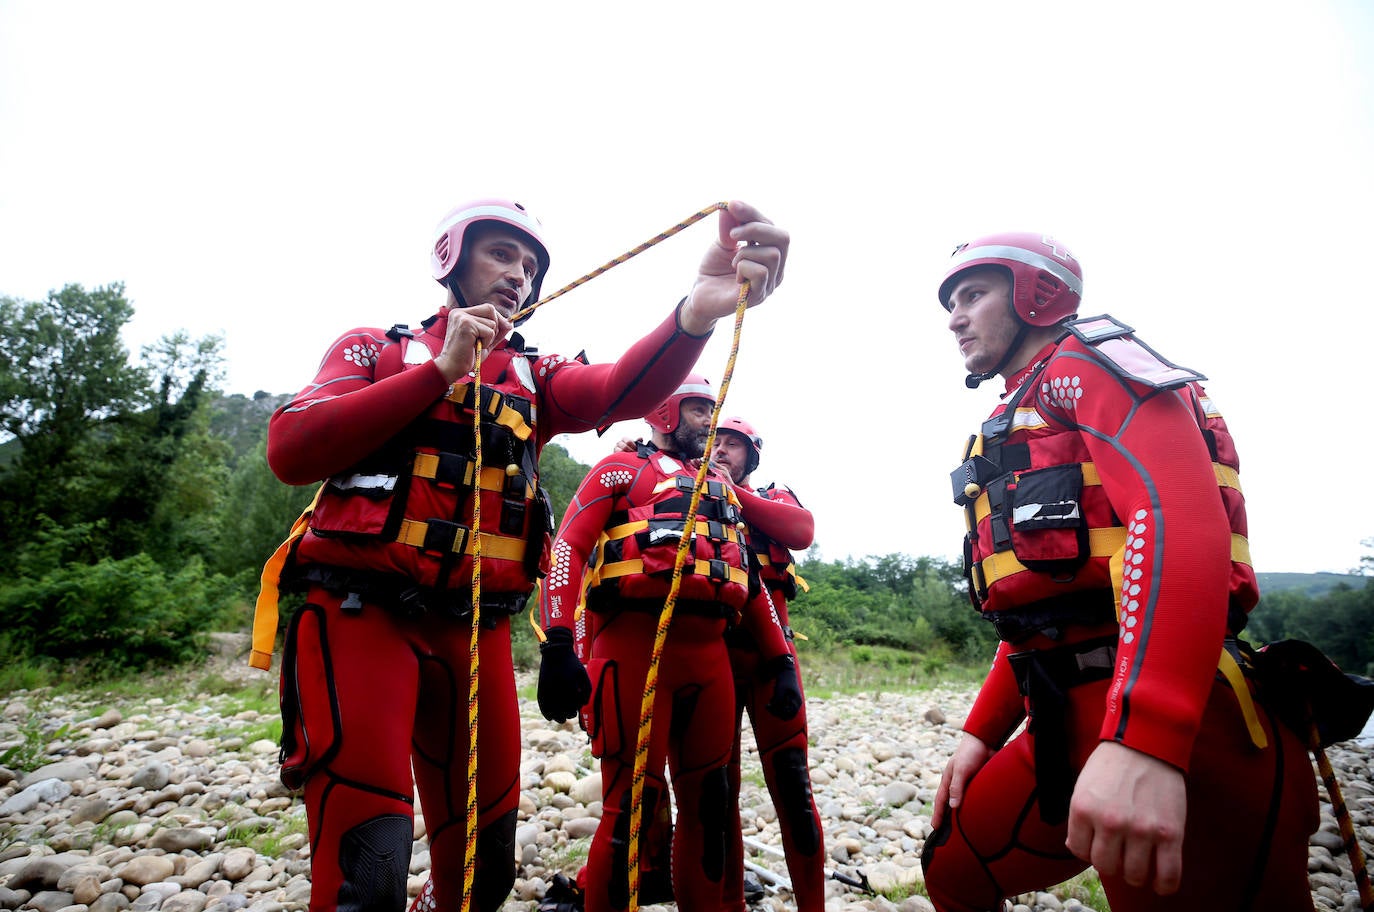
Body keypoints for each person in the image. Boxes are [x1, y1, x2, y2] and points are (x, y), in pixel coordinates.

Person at [253, 198, 789, 912]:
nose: (519, 274)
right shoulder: (375, 349)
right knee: (367, 872)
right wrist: (440, 370)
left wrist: (698, 310)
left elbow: (620, 387)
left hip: (476, 635)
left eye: (530, 266)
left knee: (482, 879)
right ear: (453, 257)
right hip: (359, 620)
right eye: (501, 254)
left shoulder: (535, 375)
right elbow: (290, 448)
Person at [920, 232, 1319, 912]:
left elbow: (1172, 519)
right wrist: (979, 732)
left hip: (1185, 718)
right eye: (950, 302)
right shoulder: (1016, 412)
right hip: (1060, 717)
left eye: (974, 294)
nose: (954, 317)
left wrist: (1148, 741)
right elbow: (1044, 609)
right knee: (957, 868)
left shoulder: (1094, 365)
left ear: (1034, 295)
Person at [535, 377, 804, 912]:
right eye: (701, 410)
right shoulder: (618, 470)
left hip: (708, 660)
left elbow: (746, 577)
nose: (712, 422)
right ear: (663, 412)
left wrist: (779, 659)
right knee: (631, 808)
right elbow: (566, 551)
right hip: (633, 652)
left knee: (709, 805)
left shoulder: (719, 487)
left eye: (713, 409)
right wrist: (559, 644)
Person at [709, 417, 825, 912]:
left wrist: (732, 494)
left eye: (732, 444)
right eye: (714, 441)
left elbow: (802, 531)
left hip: (774, 664)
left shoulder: (776, 498)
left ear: (751, 456)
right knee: (717, 796)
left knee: (794, 793)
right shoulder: (682, 494)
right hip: (709, 658)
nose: (720, 450)